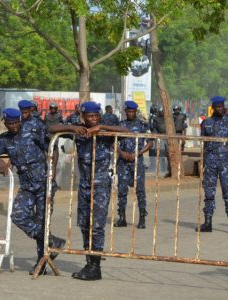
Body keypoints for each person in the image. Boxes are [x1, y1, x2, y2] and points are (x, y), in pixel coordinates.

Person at [49, 101, 129, 281]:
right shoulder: (79, 129)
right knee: (84, 224)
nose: (92, 120)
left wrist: (101, 128)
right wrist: (72, 128)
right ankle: (89, 261)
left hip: (100, 184)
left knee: (97, 225)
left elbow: (127, 131)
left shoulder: (104, 129)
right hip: (84, 184)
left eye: (95, 116)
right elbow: (52, 128)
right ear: (83, 117)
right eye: (89, 117)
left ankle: (95, 266)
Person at [0, 108, 65, 275]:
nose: (13, 126)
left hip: (44, 183)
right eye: (10, 124)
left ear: (20, 121)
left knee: (42, 220)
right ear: (5, 124)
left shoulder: (32, 132)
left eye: (16, 123)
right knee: (18, 215)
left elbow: (53, 147)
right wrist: (0, 160)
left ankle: (41, 264)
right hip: (27, 187)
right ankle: (50, 241)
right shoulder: (5, 139)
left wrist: (52, 170)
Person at [196, 96, 228, 235]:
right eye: (218, 107)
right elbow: (204, 143)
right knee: (209, 192)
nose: (221, 109)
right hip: (210, 160)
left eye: (222, 106)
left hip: (225, 161)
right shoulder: (206, 123)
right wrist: (203, 161)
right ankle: (208, 222)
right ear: (213, 108)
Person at [114, 101, 153, 229]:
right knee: (122, 190)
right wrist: (121, 153)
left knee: (140, 190)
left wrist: (138, 153)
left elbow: (150, 143)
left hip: (137, 161)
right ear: (125, 112)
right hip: (123, 162)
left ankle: (142, 218)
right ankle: (122, 218)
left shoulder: (142, 125)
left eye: (132, 111)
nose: (130, 113)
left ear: (136, 112)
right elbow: (113, 142)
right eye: (128, 112)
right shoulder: (120, 125)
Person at [151, 106, 171, 177]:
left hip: (168, 138)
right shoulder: (156, 119)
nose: (162, 112)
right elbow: (154, 128)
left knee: (169, 154)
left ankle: (169, 169)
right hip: (160, 138)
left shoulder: (169, 119)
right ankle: (162, 169)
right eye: (161, 111)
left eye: (163, 111)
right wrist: (156, 138)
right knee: (161, 154)